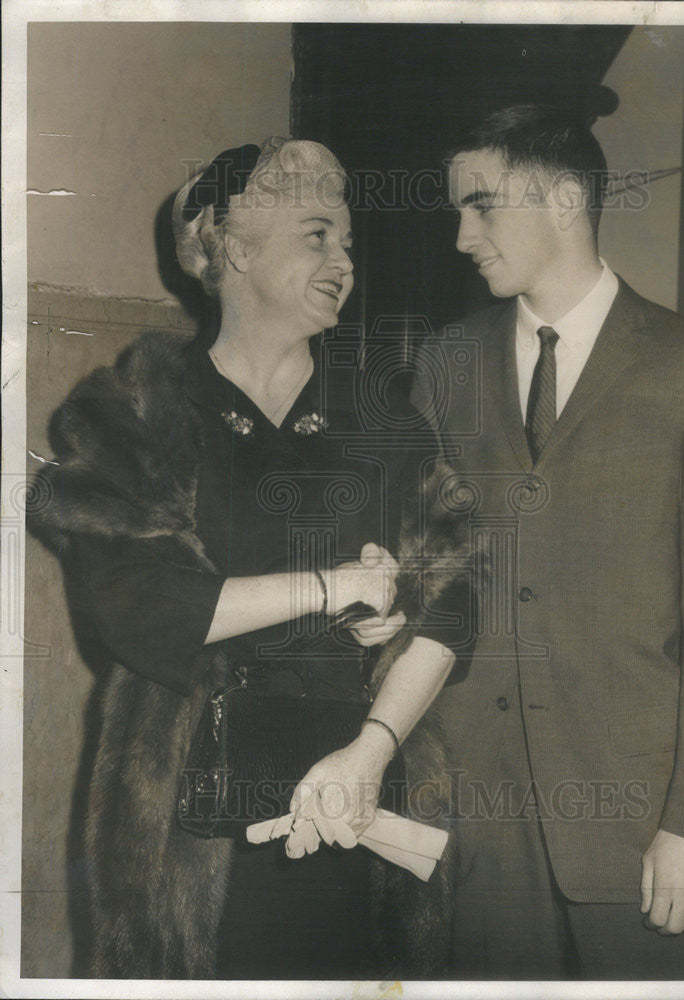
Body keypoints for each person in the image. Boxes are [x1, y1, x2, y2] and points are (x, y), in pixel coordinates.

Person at [29, 138, 470, 979]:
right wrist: (331, 587)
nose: (344, 259)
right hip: (190, 806)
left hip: (361, 792)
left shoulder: (381, 413)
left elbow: (457, 591)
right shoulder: (136, 407)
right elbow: (142, 607)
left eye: (346, 239)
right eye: (316, 235)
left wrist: (373, 743)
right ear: (234, 247)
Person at [413, 105, 684, 979]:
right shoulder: (443, 364)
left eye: (483, 207)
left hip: (639, 822)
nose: (461, 237)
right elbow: (431, 575)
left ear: (566, 199)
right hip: (474, 820)